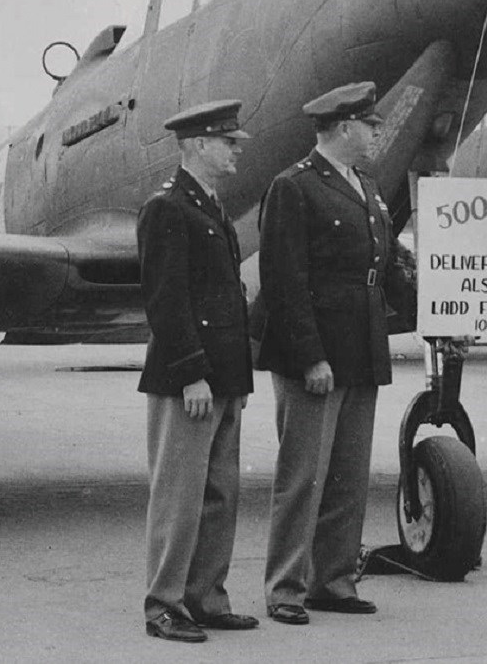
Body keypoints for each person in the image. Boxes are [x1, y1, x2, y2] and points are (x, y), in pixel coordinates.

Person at [257, 81, 409, 625]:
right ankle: (286, 588)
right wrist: (309, 357)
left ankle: (334, 581)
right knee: (304, 477)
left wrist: (439, 315)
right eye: (370, 126)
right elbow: (283, 281)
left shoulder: (366, 187)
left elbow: (388, 268)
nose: (377, 134)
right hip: (316, 357)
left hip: (361, 351)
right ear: (343, 128)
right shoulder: (293, 187)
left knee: (348, 474)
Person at [137, 100, 258, 642]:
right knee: (179, 497)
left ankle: (205, 598)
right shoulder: (168, 208)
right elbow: (167, 302)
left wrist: (235, 380)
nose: (236, 148)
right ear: (198, 145)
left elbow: (226, 298)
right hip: (190, 380)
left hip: (222, 380)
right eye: (228, 140)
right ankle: (163, 605)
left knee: (219, 494)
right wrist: (191, 374)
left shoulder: (210, 206)